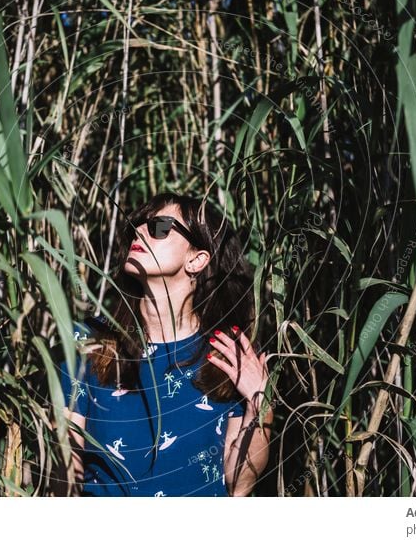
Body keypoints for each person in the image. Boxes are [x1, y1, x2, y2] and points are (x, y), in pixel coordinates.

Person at [55, 192, 273, 496]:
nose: (140, 231)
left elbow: (239, 485)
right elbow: (65, 475)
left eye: (159, 227)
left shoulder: (228, 353)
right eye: (136, 226)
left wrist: (259, 402)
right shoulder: (88, 341)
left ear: (197, 259)